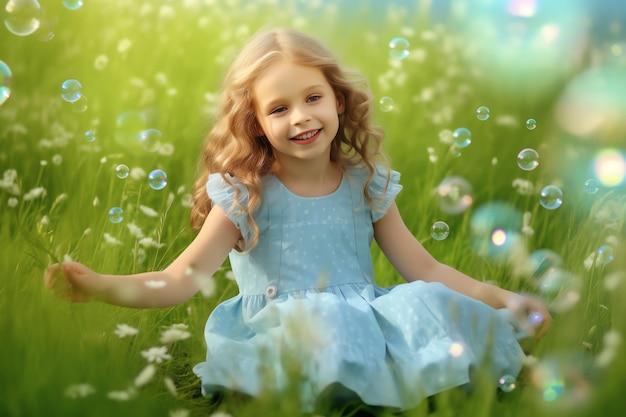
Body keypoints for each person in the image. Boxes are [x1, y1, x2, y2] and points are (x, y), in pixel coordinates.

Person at [45, 27, 551, 412]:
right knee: (322, 322)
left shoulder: (364, 181)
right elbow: (182, 278)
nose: (301, 118)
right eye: (279, 108)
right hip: (285, 328)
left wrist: (503, 298)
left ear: (338, 99)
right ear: (257, 124)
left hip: (362, 322)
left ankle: (388, 379)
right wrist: (100, 286)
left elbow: (427, 270)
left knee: (430, 304)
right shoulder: (246, 195)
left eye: (312, 98)